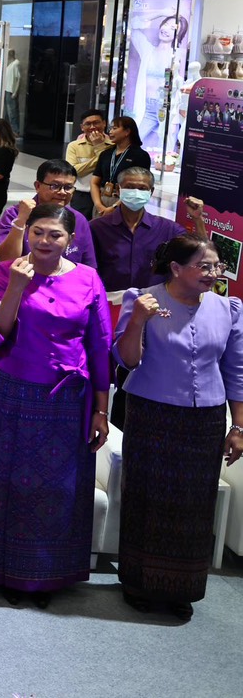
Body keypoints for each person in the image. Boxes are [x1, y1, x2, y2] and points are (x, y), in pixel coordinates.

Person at [0, 204, 110, 607]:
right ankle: (7, 569)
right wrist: (15, 287)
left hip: (69, 399)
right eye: (39, 233)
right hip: (16, 393)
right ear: (27, 232)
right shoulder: (6, 271)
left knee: (56, 488)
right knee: (11, 484)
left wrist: (101, 408)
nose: (45, 242)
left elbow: (99, 347)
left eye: (55, 235)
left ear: (71, 240)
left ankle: (47, 574)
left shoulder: (88, 279)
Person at [113, 235, 243, 621]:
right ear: (176, 268)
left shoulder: (228, 309)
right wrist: (138, 319)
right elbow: (126, 361)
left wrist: (238, 425)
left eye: (217, 267)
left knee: (194, 505)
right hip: (151, 413)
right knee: (146, 498)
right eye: (204, 266)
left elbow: (236, 371)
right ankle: (138, 583)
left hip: (203, 421)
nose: (213, 274)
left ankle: (181, 586)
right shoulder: (143, 298)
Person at [91, 170, 204, 298]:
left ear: (151, 191)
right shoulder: (97, 228)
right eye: (129, 187)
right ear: (118, 189)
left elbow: (200, 253)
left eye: (142, 188)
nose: (136, 192)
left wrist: (198, 219)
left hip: (155, 303)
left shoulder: (167, 228)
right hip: (109, 302)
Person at [0, 159, 99, 267]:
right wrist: (21, 221)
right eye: (55, 186)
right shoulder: (16, 214)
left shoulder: (78, 219)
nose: (62, 192)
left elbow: (88, 266)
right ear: (37, 186)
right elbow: (6, 259)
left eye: (68, 187)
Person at [91, 116, 153, 215]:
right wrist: (98, 205)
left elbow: (139, 187)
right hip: (102, 202)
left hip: (126, 201)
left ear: (127, 132)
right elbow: (94, 182)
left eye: (114, 128)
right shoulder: (106, 153)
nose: (110, 132)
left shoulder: (140, 155)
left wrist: (114, 207)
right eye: (110, 128)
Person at [65, 109, 110, 221]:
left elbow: (109, 169)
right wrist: (99, 150)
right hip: (81, 195)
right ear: (82, 127)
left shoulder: (113, 145)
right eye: (88, 124)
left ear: (104, 123)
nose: (92, 127)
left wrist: (99, 147)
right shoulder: (74, 146)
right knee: (81, 227)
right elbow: (74, 172)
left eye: (96, 123)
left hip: (105, 196)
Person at [2, 51, 23, 131]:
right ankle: (9, 130)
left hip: (11, 91)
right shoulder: (10, 64)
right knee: (8, 113)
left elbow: (19, 79)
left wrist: (15, 92)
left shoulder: (16, 64)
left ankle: (15, 131)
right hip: (7, 90)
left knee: (13, 113)